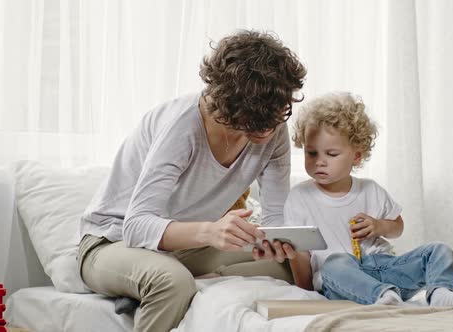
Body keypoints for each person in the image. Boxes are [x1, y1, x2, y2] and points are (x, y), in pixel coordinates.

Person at [77, 30, 307, 332]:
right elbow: (136, 227)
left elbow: (277, 218)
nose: (269, 131)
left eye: (278, 115)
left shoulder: (272, 128)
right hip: (111, 242)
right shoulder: (182, 126)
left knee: (288, 265)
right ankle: (165, 283)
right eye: (259, 119)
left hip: (183, 250)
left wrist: (277, 241)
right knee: (171, 282)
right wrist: (211, 231)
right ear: (230, 103)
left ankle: (160, 287)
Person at [279, 92, 453, 307]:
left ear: (356, 156)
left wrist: (378, 226)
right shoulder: (300, 197)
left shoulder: (370, 190)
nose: (320, 162)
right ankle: (380, 296)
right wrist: (306, 294)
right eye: (312, 153)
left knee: (439, 250)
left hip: (384, 269)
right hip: (343, 281)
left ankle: (440, 294)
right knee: (334, 262)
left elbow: (398, 228)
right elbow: (299, 253)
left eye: (331, 154)